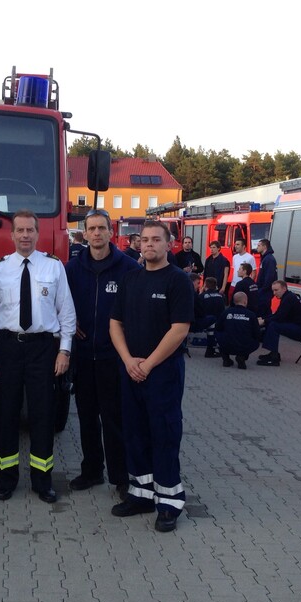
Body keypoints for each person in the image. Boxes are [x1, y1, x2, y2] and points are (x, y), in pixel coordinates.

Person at [0, 210, 76, 503]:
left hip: (43, 349)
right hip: (7, 348)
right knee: (5, 414)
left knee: (42, 414)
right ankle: (6, 480)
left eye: (30, 230)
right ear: (11, 235)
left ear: (37, 233)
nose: (24, 235)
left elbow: (67, 312)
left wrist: (64, 350)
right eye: (19, 230)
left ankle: (42, 480)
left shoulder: (54, 267)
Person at [109, 220, 195, 533]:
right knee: (134, 433)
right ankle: (141, 494)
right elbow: (114, 323)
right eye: (144, 240)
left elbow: (180, 329)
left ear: (169, 244)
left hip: (163, 374)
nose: (149, 245)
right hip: (131, 370)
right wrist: (128, 360)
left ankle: (169, 503)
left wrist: (148, 365)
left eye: (156, 239)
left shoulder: (177, 281)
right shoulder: (130, 278)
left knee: (164, 434)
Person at [65, 210, 140, 499]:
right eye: (91, 228)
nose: (96, 233)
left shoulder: (128, 268)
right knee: (86, 416)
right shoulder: (72, 268)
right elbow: (62, 305)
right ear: (84, 233)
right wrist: (71, 327)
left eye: (102, 228)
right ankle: (92, 470)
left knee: (114, 418)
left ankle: (120, 476)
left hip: (113, 357)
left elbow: (135, 310)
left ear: (111, 232)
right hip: (83, 356)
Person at [256, 280, 301, 367]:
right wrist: (263, 319)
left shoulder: (288, 299)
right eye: (273, 290)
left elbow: (279, 317)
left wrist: (264, 321)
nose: (274, 293)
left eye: (276, 290)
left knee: (274, 325)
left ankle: (274, 359)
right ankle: (273, 353)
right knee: (272, 323)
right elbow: (278, 314)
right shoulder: (288, 296)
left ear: (284, 289)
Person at [215, 292, 261, 370]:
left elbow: (218, 327)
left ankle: (226, 358)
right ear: (245, 301)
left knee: (218, 334)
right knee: (256, 341)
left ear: (234, 301)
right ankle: (242, 357)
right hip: (244, 346)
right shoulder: (251, 315)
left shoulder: (226, 312)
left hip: (227, 344)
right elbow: (256, 333)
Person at [191, 276, 225, 357]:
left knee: (211, 321)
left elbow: (199, 311)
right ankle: (211, 349)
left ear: (205, 285)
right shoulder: (221, 296)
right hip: (220, 323)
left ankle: (210, 350)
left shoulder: (201, 296)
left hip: (202, 322)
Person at [254, 238, 277, 318]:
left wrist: (262, 289)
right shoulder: (265, 258)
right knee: (265, 312)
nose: (257, 247)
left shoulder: (269, 259)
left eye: (259, 245)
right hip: (263, 291)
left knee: (263, 312)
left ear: (264, 247)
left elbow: (269, 277)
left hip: (265, 292)